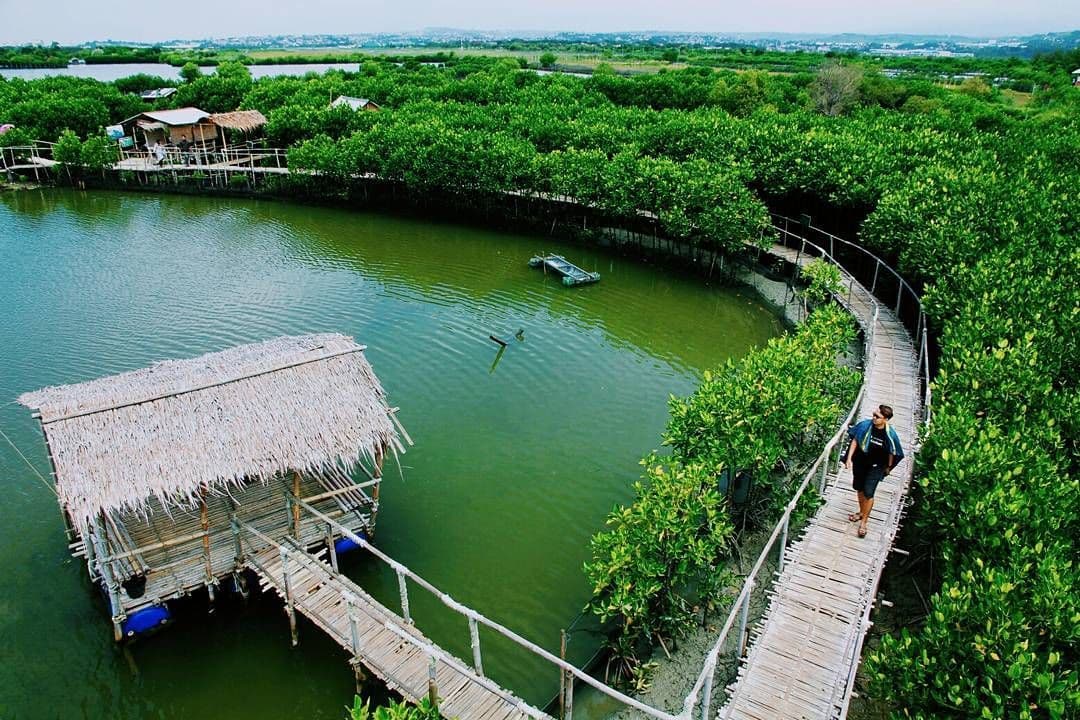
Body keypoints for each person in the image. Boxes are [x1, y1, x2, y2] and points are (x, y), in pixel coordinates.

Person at [843, 404, 904, 538]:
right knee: (859, 488)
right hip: (860, 461)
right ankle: (861, 512)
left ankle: (864, 522)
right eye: (874, 415)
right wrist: (849, 459)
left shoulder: (890, 434)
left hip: (877, 466)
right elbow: (855, 441)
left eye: (877, 417)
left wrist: (888, 467)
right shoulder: (865, 425)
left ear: (885, 419)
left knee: (869, 492)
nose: (874, 418)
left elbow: (892, 451)